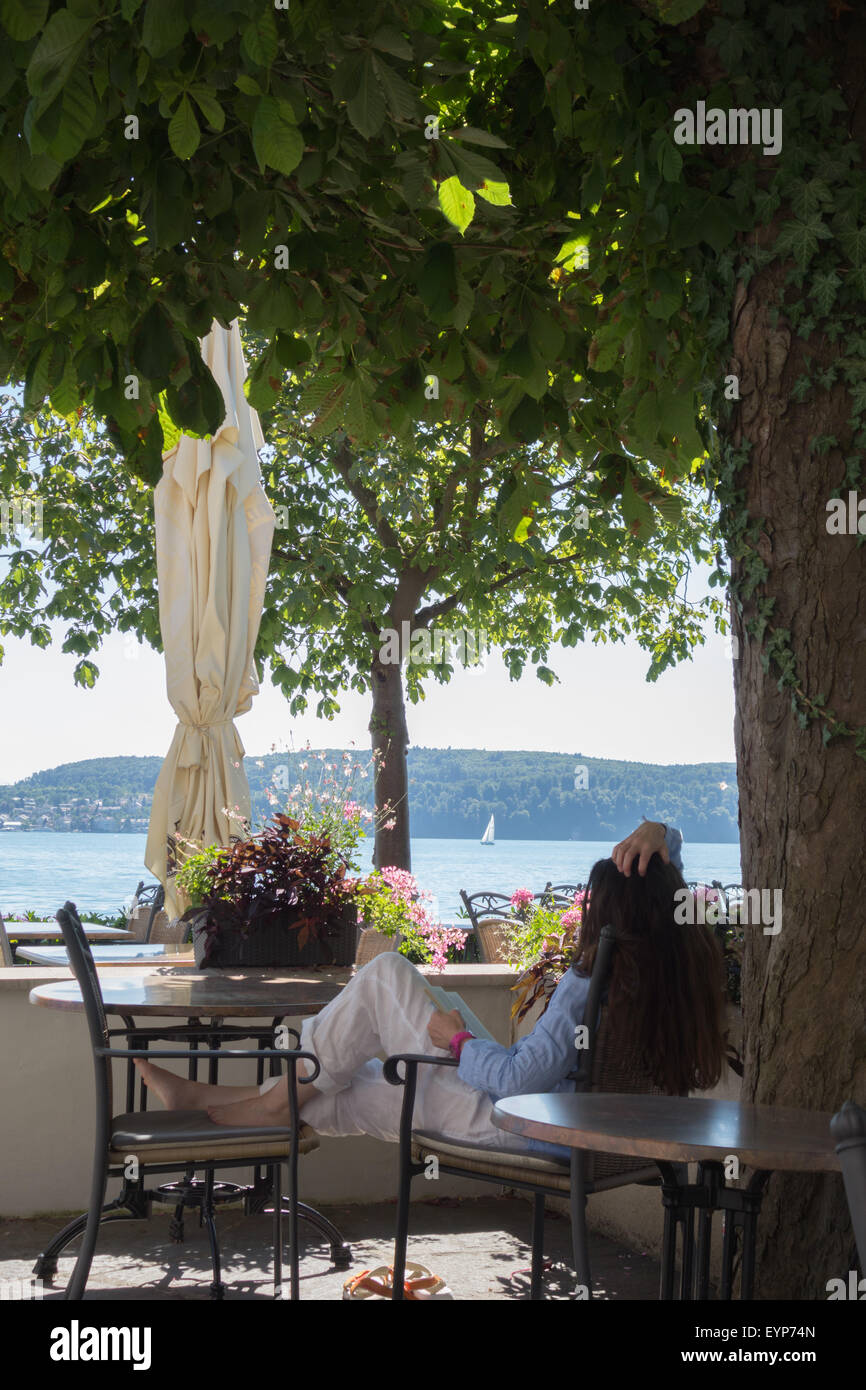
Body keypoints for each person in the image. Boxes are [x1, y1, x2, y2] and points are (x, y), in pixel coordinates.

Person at [135, 820, 726, 1156]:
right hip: (570, 1129)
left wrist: (462, 1041)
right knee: (355, 1083)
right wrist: (663, 833)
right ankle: (236, 1107)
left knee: (387, 977)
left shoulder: (587, 985)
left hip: (519, 1123)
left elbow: (520, 1080)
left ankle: (263, 1105)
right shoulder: (681, 964)